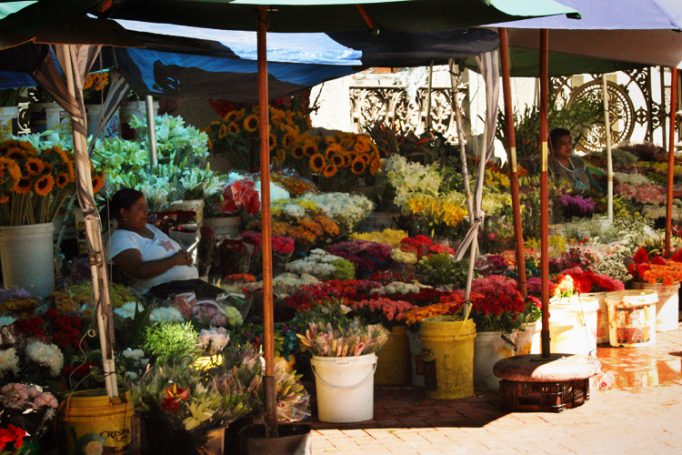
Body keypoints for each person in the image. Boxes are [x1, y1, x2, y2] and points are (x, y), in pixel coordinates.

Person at [105, 188, 222, 299]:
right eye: (140, 208)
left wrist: (185, 259)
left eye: (146, 207)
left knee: (229, 301)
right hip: (162, 294)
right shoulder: (119, 239)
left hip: (189, 286)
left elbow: (172, 251)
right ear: (124, 213)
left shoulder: (150, 228)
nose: (146, 212)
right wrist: (175, 260)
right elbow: (139, 270)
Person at [548, 127, 592, 194]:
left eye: (569, 142)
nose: (568, 146)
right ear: (554, 147)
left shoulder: (578, 162)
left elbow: (592, 184)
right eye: (563, 143)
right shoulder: (550, 167)